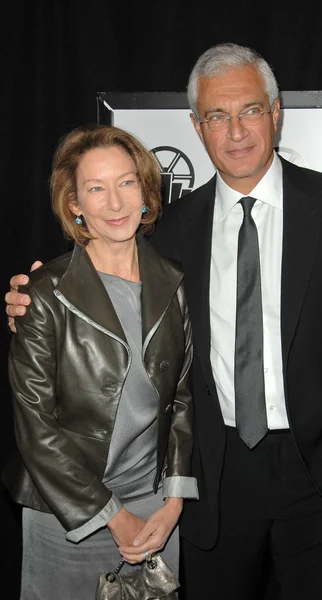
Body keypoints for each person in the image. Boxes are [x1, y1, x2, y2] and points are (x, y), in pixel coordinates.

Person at [6, 43, 322, 600]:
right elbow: (95, 281)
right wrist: (28, 297)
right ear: (196, 125)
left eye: (250, 111)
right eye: (217, 115)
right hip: (211, 481)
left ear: (276, 111)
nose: (235, 130)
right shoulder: (168, 233)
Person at [3, 123, 198, 600]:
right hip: (68, 511)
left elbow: (183, 402)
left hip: (154, 511)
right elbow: (35, 428)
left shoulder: (173, 282)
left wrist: (174, 500)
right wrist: (112, 515)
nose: (115, 203)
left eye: (126, 182)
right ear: (75, 204)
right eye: (96, 188)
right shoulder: (45, 293)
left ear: (146, 191)